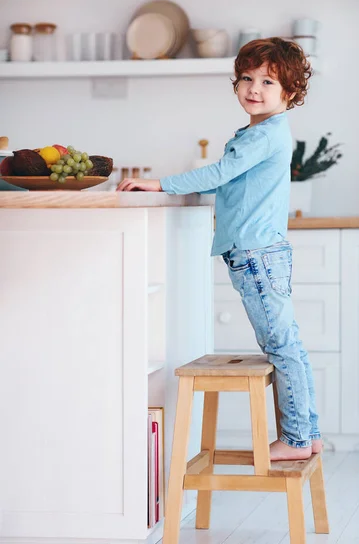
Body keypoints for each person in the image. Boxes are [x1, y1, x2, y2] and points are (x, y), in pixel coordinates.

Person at [117, 37, 322, 461]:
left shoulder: (263, 135)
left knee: (281, 346)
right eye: (247, 78)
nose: (254, 88)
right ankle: (307, 434)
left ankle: (298, 439)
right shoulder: (260, 131)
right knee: (287, 344)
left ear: (290, 91)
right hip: (262, 251)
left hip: (256, 254)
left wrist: (161, 183)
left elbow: (220, 172)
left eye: (268, 81)